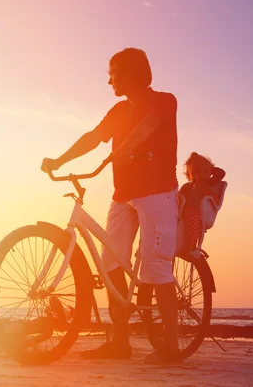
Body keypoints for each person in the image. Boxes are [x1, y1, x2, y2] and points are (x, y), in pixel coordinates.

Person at [40, 48, 180, 364]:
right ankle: (120, 343)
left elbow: (149, 126)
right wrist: (60, 160)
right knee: (110, 264)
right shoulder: (117, 111)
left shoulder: (164, 100)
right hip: (123, 196)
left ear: (131, 74)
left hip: (157, 194)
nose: (109, 80)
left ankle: (170, 348)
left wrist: (126, 149)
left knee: (156, 267)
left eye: (113, 72)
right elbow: (93, 137)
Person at [178, 152, 226, 250]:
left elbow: (216, 201)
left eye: (205, 171)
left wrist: (205, 188)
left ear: (210, 173)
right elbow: (178, 197)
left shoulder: (211, 187)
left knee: (194, 220)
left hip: (198, 213)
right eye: (195, 172)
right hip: (181, 212)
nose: (200, 175)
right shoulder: (187, 187)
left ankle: (190, 246)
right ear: (189, 175)